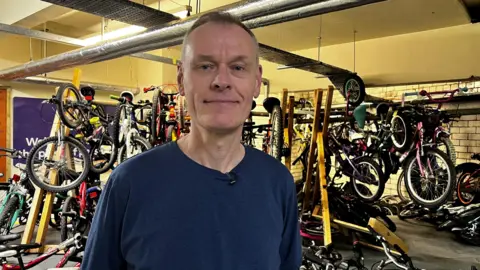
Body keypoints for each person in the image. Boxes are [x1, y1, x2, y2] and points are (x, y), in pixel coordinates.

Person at [81, 11, 301, 270]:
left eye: (238, 67)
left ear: (256, 81)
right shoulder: (129, 183)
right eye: (205, 66)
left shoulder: (277, 182)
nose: (221, 81)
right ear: (181, 79)